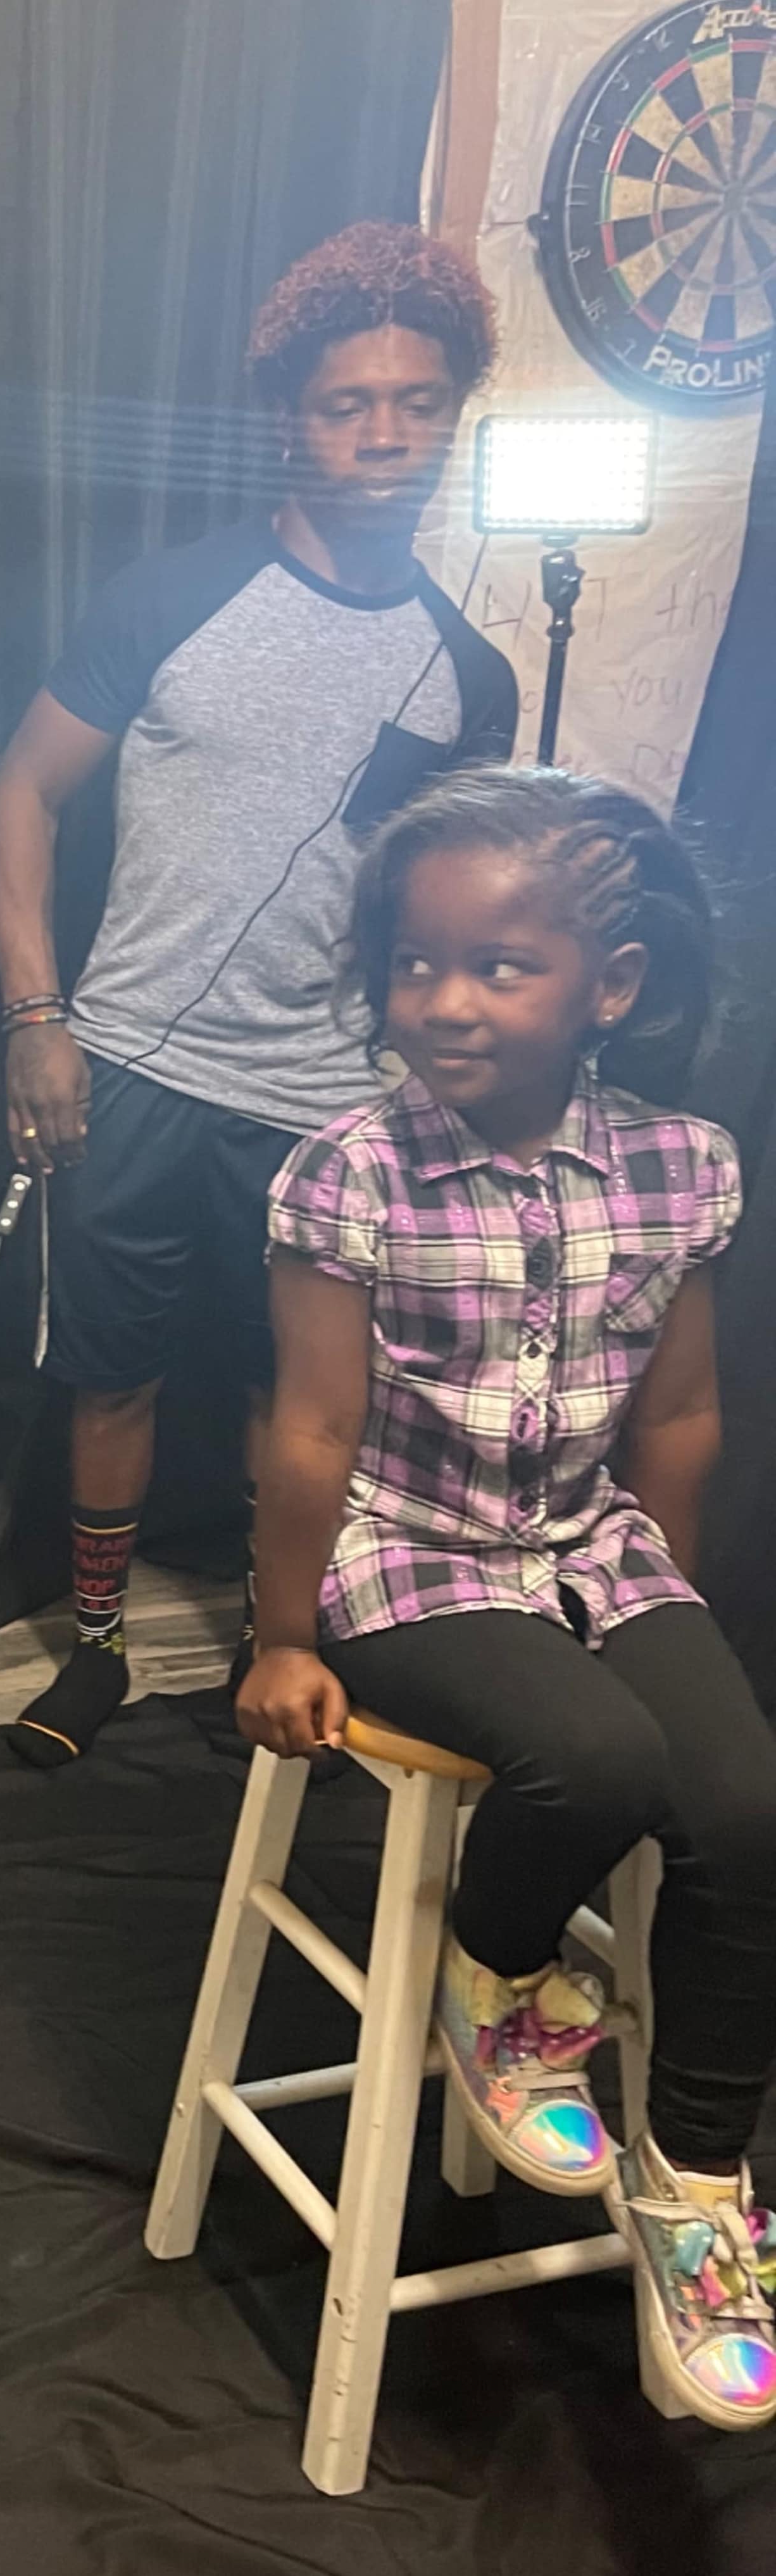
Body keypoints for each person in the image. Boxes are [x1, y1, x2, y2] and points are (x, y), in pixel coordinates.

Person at [241, 765, 776, 2429]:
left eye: (498, 967)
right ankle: (497, 1972)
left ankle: (698, 2187)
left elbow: (677, 1416)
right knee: (595, 1768)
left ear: (607, 987)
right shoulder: (353, 1171)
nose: (444, 1003)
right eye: (415, 965)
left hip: (588, 1542)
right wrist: (277, 1631)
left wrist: (666, 1617)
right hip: (404, 1549)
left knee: (746, 1805)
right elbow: (311, 1427)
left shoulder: (680, 1166)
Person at [0, 223, 519, 1768]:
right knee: (114, 1375)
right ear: (296, 411)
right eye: (352, 402)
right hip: (135, 1068)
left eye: (419, 402)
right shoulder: (173, 596)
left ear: (451, 415)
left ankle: (285, 1650)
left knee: (309, 1397)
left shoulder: (468, 674)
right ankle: (93, 1650)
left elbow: (443, 905)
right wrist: (38, 1018)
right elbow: (20, 791)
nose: (386, 432)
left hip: (331, 1102)